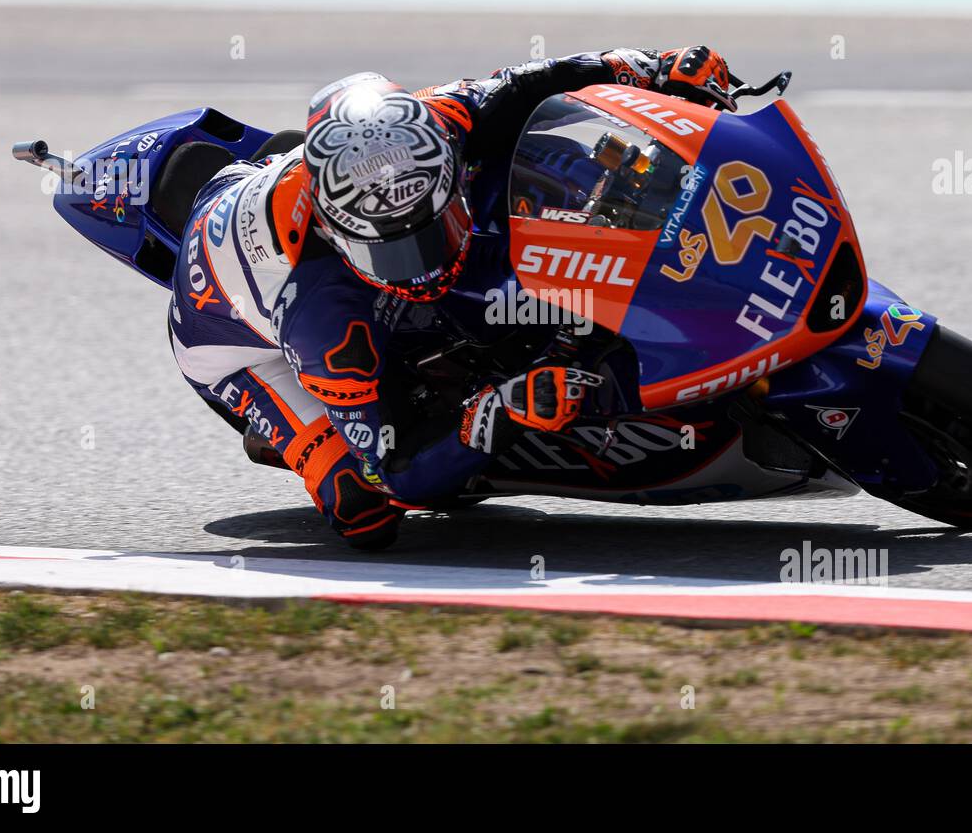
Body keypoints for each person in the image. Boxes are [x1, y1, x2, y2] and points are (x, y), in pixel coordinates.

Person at [168, 46, 734, 549]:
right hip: (235, 347)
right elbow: (392, 470)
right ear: (340, 235)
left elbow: (532, 83)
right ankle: (293, 432)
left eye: (430, 234)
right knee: (362, 509)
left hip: (273, 186)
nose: (420, 271)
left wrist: (654, 68)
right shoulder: (326, 325)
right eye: (393, 254)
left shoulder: (432, 122)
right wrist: (501, 409)